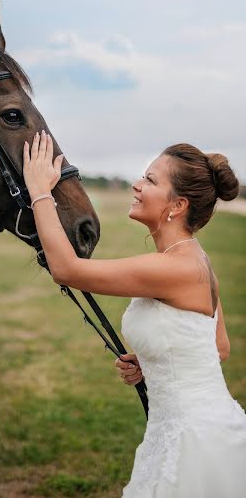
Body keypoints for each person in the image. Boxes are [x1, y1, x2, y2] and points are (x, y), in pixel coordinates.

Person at [22, 131, 246, 498]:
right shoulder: (195, 260)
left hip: (195, 442)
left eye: (150, 180)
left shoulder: (178, 267)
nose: (136, 185)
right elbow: (218, 346)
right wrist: (154, 358)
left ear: (178, 206)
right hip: (192, 429)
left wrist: (39, 191)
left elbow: (67, 270)